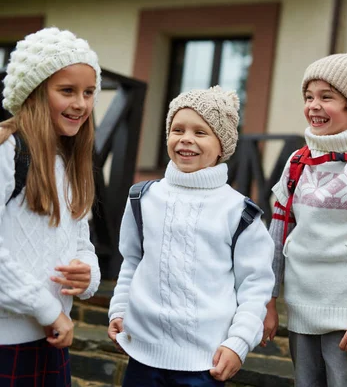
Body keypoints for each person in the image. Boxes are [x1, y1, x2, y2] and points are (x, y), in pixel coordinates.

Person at [107, 87, 275, 386]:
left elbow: (255, 286)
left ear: (222, 145)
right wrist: (119, 309)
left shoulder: (240, 213)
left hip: (204, 362)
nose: (186, 138)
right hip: (143, 354)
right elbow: (131, 261)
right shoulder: (141, 198)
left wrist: (238, 342)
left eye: (200, 132)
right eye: (177, 129)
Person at [262, 51, 347, 387]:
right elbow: (276, 235)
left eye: (328, 97)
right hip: (300, 308)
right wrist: (268, 300)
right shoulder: (297, 163)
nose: (314, 105)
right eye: (309, 96)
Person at [0, 27, 102, 386]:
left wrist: (88, 273)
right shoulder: (8, 152)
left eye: (89, 92)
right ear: (34, 91)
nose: (81, 104)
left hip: (52, 340)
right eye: (67, 91)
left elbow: (80, 242)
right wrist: (47, 310)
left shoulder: (70, 161)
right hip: (8, 343)